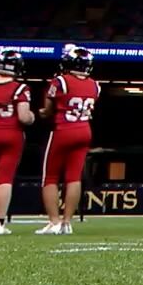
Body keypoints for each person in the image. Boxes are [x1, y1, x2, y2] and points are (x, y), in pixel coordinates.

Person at [38, 46, 100, 235]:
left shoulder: (60, 81)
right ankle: (67, 222)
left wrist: (42, 113)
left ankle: (54, 221)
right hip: (84, 130)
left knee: (50, 177)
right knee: (73, 177)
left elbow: (48, 108)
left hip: (64, 129)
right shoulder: (95, 84)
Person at [0, 50, 33, 235]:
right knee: (4, 179)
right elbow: (24, 117)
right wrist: (32, 117)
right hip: (10, 135)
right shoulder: (20, 88)